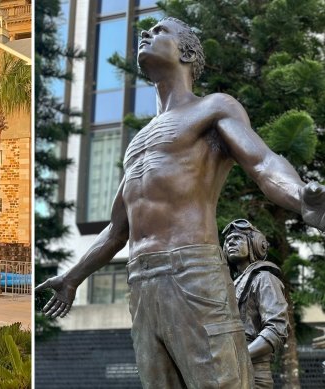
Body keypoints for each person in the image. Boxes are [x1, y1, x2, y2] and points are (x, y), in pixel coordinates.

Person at [36, 16, 325, 389]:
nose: (145, 34)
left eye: (159, 31)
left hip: (192, 271)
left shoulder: (214, 108)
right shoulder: (138, 141)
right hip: (140, 281)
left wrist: (301, 197)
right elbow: (116, 229)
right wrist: (73, 277)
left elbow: (263, 162)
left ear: (186, 51)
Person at [223, 219, 288, 389]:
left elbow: (277, 330)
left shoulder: (264, 278)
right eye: (228, 240)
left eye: (237, 238)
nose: (230, 243)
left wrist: (238, 357)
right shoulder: (231, 284)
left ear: (256, 244)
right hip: (228, 374)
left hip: (253, 377)